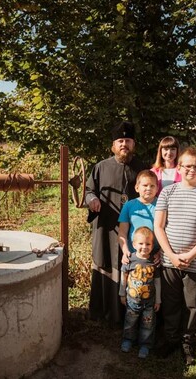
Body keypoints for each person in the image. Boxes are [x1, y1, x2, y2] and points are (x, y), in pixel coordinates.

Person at [154, 148, 196, 366]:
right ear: (179, 168)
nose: (191, 170)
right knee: (171, 302)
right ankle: (171, 338)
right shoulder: (168, 192)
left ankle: (187, 342)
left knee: (191, 305)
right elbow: (159, 226)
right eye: (187, 166)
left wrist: (191, 255)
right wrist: (171, 255)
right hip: (169, 261)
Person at [85, 121, 146, 325]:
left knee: (133, 266)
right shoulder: (101, 167)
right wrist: (92, 200)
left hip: (135, 230)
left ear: (133, 144)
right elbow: (88, 191)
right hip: (108, 227)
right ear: (113, 145)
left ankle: (131, 315)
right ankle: (103, 313)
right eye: (120, 141)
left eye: (128, 141)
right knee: (106, 264)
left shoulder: (142, 168)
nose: (124, 145)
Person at [119, 227, 161, 359]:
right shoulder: (130, 259)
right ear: (134, 244)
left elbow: (157, 282)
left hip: (149, 302)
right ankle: (128, 340)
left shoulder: (154, 262)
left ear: (152, 245)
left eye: (148, 244)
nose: (144, 247)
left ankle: (145, 344)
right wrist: (122, 294)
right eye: (141, 244)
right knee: (130, 321)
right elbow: (123, 276)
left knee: (148, 324)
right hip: (132, 300)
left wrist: (158, 300)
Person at [118, 170, 159, 264]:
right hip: (134, 255)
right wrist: (125, 251)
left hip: (155, 256)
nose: (149, 188)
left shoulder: (162, 205)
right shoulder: (129, 206)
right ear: (137, 188)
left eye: (152, 186)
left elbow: (168, 231)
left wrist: (161, 252)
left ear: (157, 188)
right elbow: (122, 232)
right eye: (145, 185)